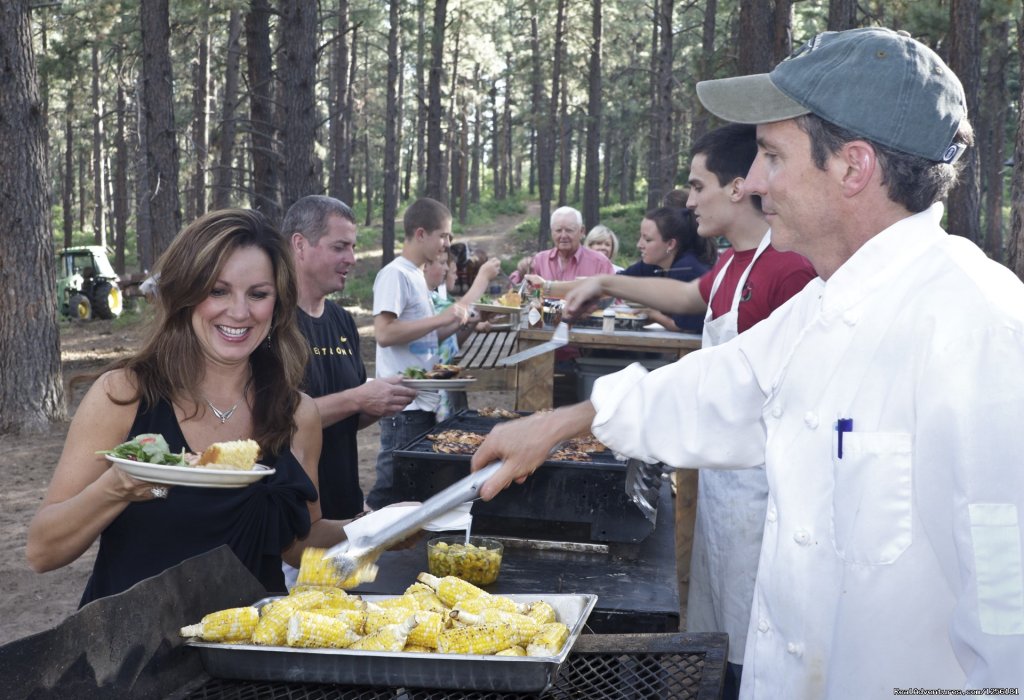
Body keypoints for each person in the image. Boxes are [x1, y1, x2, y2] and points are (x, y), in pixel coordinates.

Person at [471, 27, 1024, 696]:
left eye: (771, 155)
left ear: (853, 167)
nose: (755, 181)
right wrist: (557, 425)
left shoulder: (982, 330)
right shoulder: (827, 304)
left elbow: (1009, 626)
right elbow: (719, 387)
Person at [26, 209, 348, 603]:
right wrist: (117, 487)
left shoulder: (298, 413)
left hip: (244, 650)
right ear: (186, 295)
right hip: (133, 650)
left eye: (258, 294)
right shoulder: (124, 395)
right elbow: (42, 552)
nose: (240, 312)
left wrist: (379, 528)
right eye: (218, 291)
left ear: (277, 305)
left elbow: (297, 547)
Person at [284, 195, 418, 520]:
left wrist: (383, 401)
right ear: (300, 246)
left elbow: (348, 420)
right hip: (291, 524)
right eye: (340, 247)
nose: (353, 258)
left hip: (345, 514)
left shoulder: (342, 321)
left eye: (353, 247)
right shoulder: (271, 321)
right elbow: (276, 422)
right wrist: (357, 398)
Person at [366, 198, 482, 509]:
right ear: (421, 234)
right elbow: (385, 333)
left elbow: (428, 335)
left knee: (413, 491)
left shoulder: (417, 276)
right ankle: (355, 547)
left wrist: (463, 325)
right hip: (402, 406)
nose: (448, 243)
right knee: (390, 491)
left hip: (423, 401)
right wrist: (444, 316)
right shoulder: (395, 274)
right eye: (444, 235)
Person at [425, 251, 500, 421]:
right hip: (430, 396)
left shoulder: (434, 297)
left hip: (443, 390)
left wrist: (476, 318)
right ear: (424, 267)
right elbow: (437, 331)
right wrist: (482, 278)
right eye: (443, 263)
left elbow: (450, 337)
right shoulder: (424, 300)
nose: (446, 269)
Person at [618, 207, 716, 333]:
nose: (639, 245)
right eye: (640, 237)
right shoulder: (657, 262)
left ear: (670, 244)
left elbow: (684, 327)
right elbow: (622, 279)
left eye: (647, 240)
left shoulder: (686, 269)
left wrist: (653, 315)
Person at [530, 206, 614, 282]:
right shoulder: (540, 261)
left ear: (581, 231)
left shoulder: (600, 263)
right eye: (558, 230)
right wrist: (523, 271)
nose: (563, 236)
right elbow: (522, 291)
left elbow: (614, 298)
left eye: (569, 230)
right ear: (551, 232)